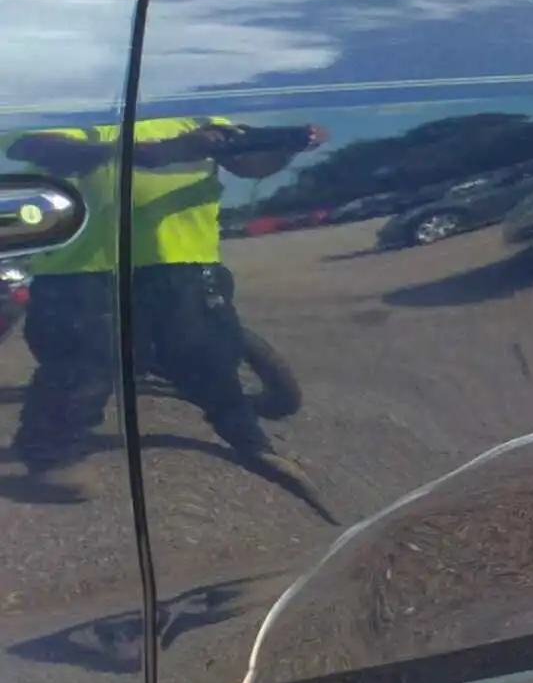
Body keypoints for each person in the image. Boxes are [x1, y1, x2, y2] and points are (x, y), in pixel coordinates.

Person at [7, 116, 326, 501]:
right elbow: (43, 152)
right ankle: (53, 456)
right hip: (81, 273)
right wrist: (163, 151)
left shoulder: (205, 121)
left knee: (210, 357)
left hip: (184, 266)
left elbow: (248, 165)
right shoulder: (71, 119)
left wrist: (287, 145)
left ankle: (249, 438)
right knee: (80, 369)